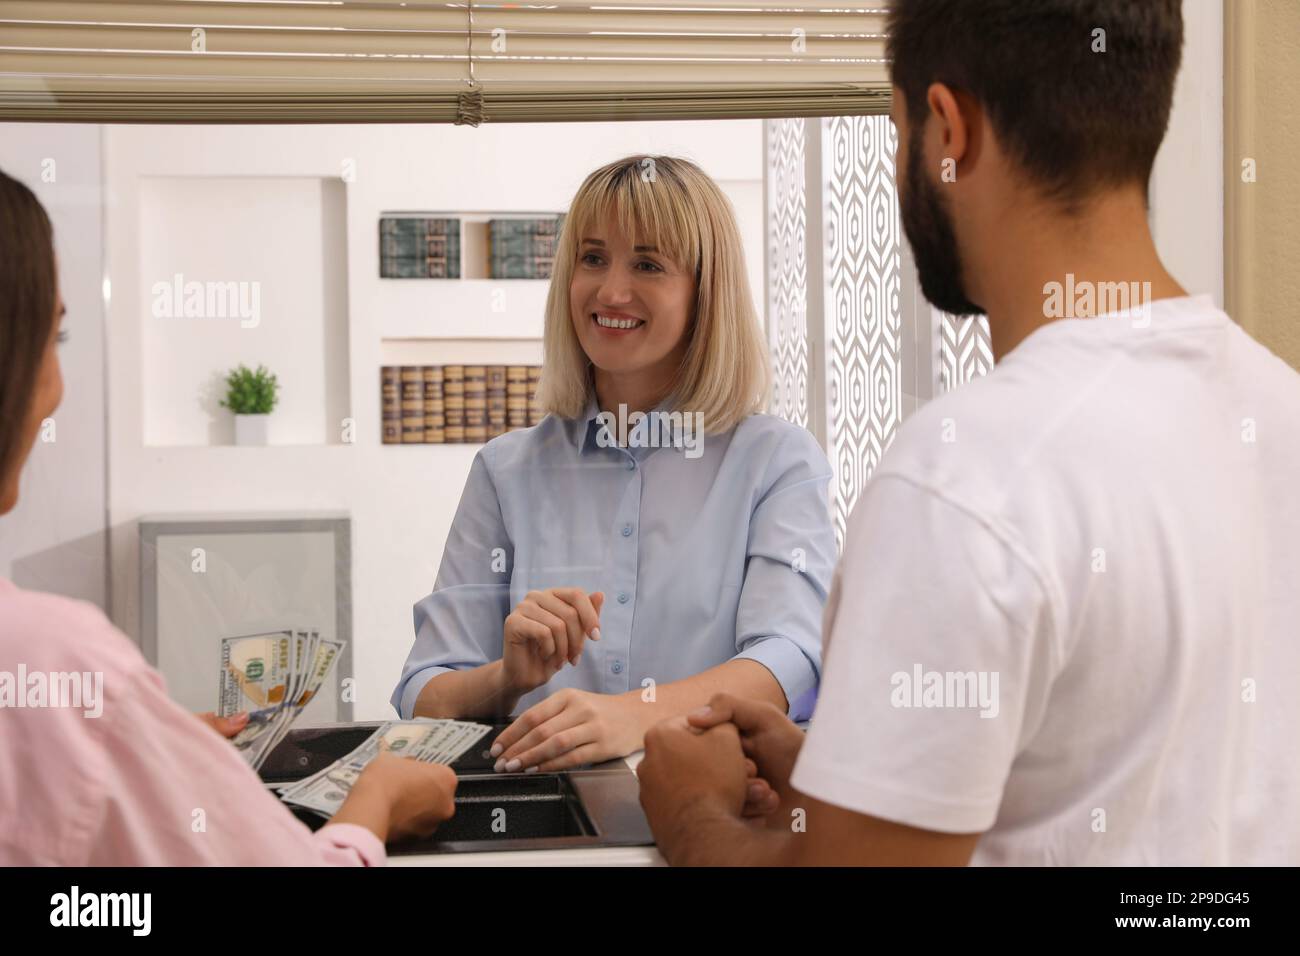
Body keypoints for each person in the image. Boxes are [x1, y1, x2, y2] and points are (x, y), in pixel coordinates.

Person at [636, 0, 1300, 865]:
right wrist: (852, 780)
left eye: (898, 129)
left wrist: (689, 812)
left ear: (949, 131)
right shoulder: (1279, 411)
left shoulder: (960, 481)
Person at [0, 168, 457, 865]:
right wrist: (378, 802)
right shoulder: (58, 664)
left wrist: (144, 748)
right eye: (52, 339)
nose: (57, 391)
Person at [392, 156, 836, 774]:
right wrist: (506, 678)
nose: (610, 292)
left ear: (705, 294)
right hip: (553, 829)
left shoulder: (774, 462)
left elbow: (791, 659)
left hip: (719, 826)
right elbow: (423, 695)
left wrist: (636, 714)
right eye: (592, 258)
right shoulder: (505, 470)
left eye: (648, 265)